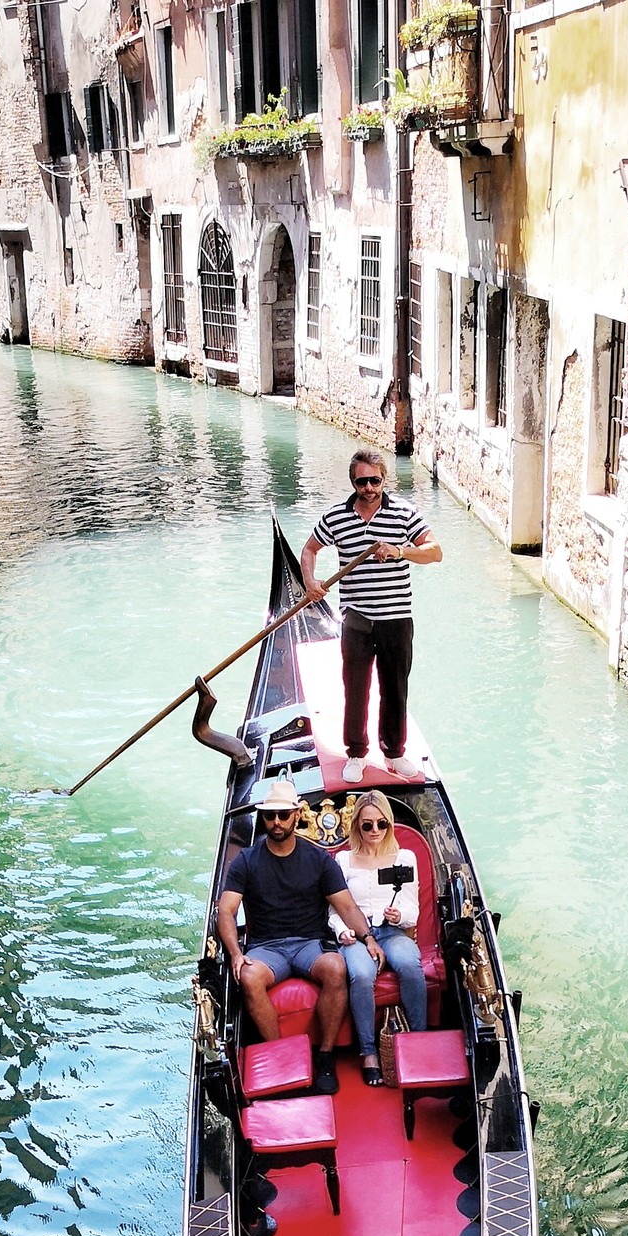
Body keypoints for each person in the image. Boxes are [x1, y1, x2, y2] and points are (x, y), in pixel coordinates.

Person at [217, 777, 382, 1096]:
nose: (276, 822)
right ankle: (282, 1059)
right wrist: (236, 955)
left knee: (336, 967)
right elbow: (226, 911)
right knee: (249, 977)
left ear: (296, 814)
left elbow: (346, 906)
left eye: (282, 815)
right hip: (267, 949)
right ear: (264, 818)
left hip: (310, 944)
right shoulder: (246, 861)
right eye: (269, 816)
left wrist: (368, 938)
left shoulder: (318, 860)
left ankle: (325, 1056)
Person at [300, 446, 442, 785]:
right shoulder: (335, 517)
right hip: (356, 619)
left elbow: (435, 552)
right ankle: (356, 753)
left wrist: (400, 551)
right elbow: (309, 549)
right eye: (362, 481)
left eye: (374, 480)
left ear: (384, 479)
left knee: (395, 688)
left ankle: (394, 753)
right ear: (353, 482)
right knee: (356, 687)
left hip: (396, 618)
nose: (369, 487)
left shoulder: (405, 514)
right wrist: (310, 582)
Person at [331, 793, 429, 1085]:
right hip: (357, 938)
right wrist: (342, 931)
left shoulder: (404, 858)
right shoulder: (344, 860)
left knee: (410, 965)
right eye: (367, 825)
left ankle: (419, 1042)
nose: (375, 831)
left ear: (389, 825)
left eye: (381, 824)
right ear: (357, 827)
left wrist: (400, 915)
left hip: (392, 932)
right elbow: (334, 910)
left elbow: (412, 908)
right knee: (360, 974)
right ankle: (369, 1053)